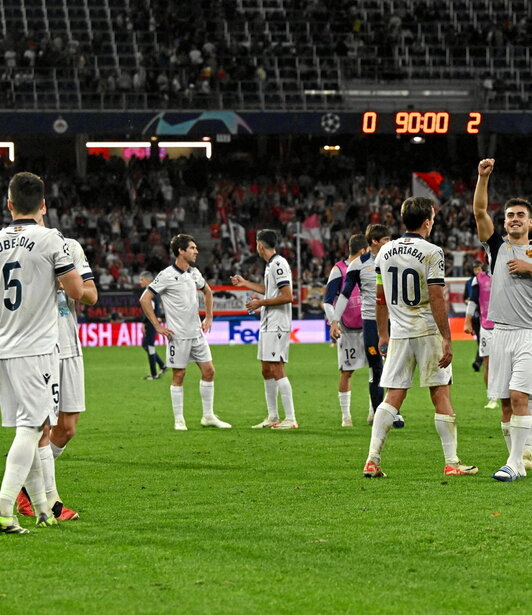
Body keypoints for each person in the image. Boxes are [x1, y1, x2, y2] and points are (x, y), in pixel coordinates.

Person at [363, 196, 478, 478]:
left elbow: (379, 299)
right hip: (427, 331)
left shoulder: (384, 252)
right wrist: (447, 338)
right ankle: (451, 462)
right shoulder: (432, 252)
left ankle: (372, 460)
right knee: (440, 393)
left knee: (392, 396)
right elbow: (437, 296)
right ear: (428, 221)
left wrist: (382, 333)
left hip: (399, 333)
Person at [0, 172, 83, 534]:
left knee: (32, 425)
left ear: (9, 204)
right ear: (44, 205)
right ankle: (4, 507)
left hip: (4, 344)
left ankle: (42, 507)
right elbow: (76, 290)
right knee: (33, 427)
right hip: (35, 347)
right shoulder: (52, 239)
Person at [16, 236, 98, 521]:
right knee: (42, 427)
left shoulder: (70, 246)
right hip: (39, 345)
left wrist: (68, 285)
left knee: (67, 427)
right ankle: (48, 501)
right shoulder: (17, 247)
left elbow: (91, 294)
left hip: (70, 346)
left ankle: (22, 484)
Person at [473, 158, 532, 482]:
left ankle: (513, 463)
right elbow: (480, 212)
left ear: (530, 222)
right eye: (510, 215)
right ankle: (521, 458)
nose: (514, 219)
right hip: (500, 334)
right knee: (508, 404)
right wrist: (483, 178)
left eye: (520, 215)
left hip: (528, 333)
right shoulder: (496, 247)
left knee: (521, 397)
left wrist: (530, 268)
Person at [140, 234, 231, 430]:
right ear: (181, 251)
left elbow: (207, 291)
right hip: (177, 336)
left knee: (209, 371)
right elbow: (144, 299)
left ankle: (208, 416)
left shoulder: (194, 272)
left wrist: (209, 317)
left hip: (197, 333)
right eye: (192, 248)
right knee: (179, 375)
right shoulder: (166, 275)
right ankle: (179, 419)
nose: (196, 251)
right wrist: (157, 326)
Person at [331, 224, 405, 429]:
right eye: (385, 240)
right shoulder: (358, 265)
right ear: (374, 241)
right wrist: (335, 320)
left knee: (395, 367)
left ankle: (394, 412)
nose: (389, 243)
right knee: (377, 369)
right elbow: (345, 294)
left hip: (394, 320)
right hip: (371, 323)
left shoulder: (395, 260)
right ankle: (380, 416)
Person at [231, 229, 297, 429]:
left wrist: (261, 303)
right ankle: (273, 416)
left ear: (260, 245)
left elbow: (288, 296)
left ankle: (291, 419)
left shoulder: (278, 264)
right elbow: (270, 290)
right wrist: (245, 284)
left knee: (276, 367)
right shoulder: (271, 265)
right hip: (268, 323)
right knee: (266, 369)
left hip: (277, 323)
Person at [324, 234, 367, 427]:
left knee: (378, 369)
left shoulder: (368, 267)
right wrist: (334, 321)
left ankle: (374, 412)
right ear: (362, 251)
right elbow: (327, 300)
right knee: (347, 371)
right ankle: (346, 416)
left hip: (369, 325)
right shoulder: (339, 270)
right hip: (347, 328)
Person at [463, 262, 498, 408]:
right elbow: (472, 301)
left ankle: (513, 396)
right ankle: (492, 397)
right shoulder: (479, 279)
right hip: (487, 326)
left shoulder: (508, 273)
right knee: (488, 364)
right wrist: (467, 321)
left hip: (508, 327)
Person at [139, 271, 167, 380]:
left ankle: (154, 374)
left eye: (141, 279)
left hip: (151, 322)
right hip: (152, 321)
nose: (140, 281)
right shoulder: (153, 290)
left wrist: (145, 322)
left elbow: (151, 309)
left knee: (149, 346)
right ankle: (162, 365)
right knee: (146, 345)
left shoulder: (149, 291)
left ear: (147, 280)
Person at [463, 261, 482, 371]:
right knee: (480, 339)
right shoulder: (470, 282)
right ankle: (480, 361)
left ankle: (478, 362)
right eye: (475, 269)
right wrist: (470, 302)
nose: (477, 271)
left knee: (481, 340)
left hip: (484, 315)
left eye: (479, 269)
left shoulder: (487, 281)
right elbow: (465, 297)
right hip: (474, 316)